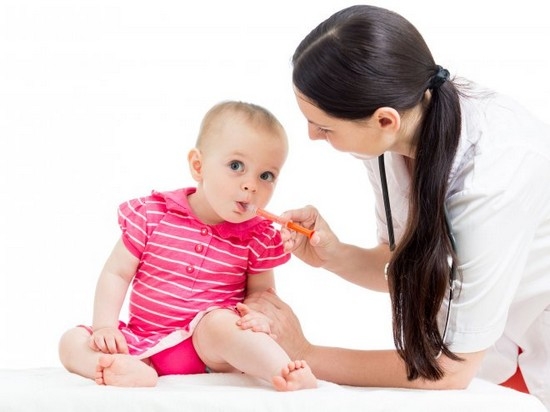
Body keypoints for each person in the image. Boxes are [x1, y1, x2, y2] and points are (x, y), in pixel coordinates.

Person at [243, 4, 550, 409]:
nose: (312, 136)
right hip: (489, 356)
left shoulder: (493, 171)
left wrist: (307, 353)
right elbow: (404, 266)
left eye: (325, 126)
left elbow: (450, 369)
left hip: (529, 343)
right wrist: (333, 256)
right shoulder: (393, 135)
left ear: (385, 120)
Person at [58, 100, 317, 391]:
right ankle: (124, 368)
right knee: (71, 340)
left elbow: (261, 295)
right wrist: (105, 327)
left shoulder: (256, 236)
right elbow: (116, 274)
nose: (251, 185)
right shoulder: (153, 214)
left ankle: (282, 371)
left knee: (220, 322)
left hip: (205, 348)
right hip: (142, 340)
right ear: (198, 166)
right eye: (236, 166)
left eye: (266, 175)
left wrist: (258, 317)